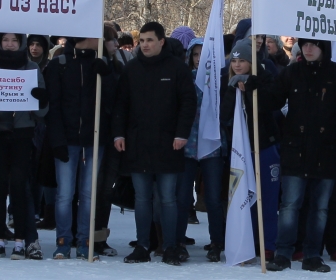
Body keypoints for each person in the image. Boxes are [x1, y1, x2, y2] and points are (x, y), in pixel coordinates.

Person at [257, 38, 336, 273]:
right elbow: (272, 100)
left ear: (324, 48)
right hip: (296, 148)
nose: (309, 49)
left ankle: (312, 254)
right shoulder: (292, 73)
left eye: (314, 45)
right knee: (290, 205)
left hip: (327, 151)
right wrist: (256, 86)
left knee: (320, 208)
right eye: (305, 44)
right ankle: (283, 253)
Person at [112, 22, 196, 265]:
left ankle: (169, 246)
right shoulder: (132, 69)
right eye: (143, 40)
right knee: (141, 197)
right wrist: (119, 134)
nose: (145, 45)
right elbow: (121, 105)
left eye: (150, 40)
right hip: (138, 144)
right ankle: (142, 245)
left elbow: (188, 103)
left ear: (161, 41)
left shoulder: (177, 68)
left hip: (169, 144)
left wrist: (181, 134)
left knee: (168, 197)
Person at [45, 35, 118, 259]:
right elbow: (52, 106)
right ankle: (63, 241)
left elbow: (114, 101)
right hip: (67, 139)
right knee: (65, 195)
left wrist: (107, 76)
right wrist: (57, 141)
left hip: (94, 140)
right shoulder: (59, 65)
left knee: (88, 194)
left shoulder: (103, 64)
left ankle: (85, 241)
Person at [0, 33, 46, 260]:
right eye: (5, 40)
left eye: (14, 40)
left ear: (21, 43)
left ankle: (20, 240)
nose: (9, 44)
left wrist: (41, 99)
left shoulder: (31, 68)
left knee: (19, 185)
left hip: (22, 131)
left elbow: (41, 111)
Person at [223, 39, 281, 258]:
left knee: (267, 198)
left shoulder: (265, 78)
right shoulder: (227, 81)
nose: (237, 65)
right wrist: (232, 90)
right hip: (240, 150)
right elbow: (224, 116)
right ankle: (246, 241)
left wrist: (252, 87)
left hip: (265, 145)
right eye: (234, 61)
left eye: (243, 61)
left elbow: (272, 104)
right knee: (243, 197)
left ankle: (267, 244)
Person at [177, 38, 226, 261]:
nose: (199, 60)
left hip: (212, 145)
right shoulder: (184, 78)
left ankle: (217, 241)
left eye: (203, 55)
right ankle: (177, 240)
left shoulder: (219, 81)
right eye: (196, 55)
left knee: (214, 197)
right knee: (182, 196)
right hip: (186, 144)